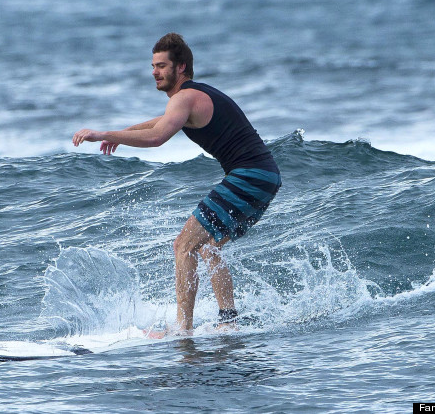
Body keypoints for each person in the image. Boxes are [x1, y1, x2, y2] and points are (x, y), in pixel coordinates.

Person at [72, 33, 281, 335]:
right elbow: (160, 121)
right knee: (208, 247)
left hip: (249, 175)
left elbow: (157, 137)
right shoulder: (189, 99)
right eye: (153, 66)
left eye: (161, 66)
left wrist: (104, 133)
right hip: (265, 176)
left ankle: (183, 328)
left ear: (180, 67)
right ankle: (228, 320)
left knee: (183, 245)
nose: (154, 72)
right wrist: (118, 132)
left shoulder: (185, 98)